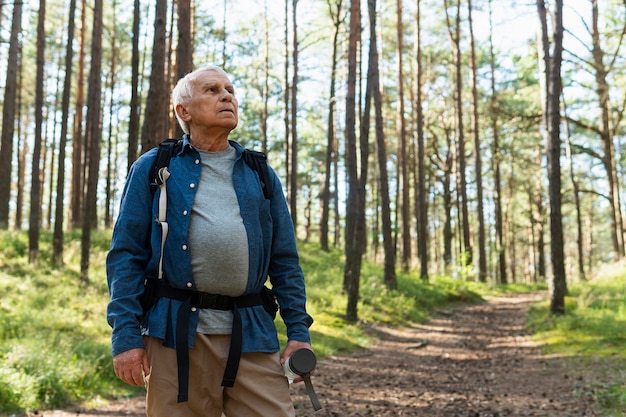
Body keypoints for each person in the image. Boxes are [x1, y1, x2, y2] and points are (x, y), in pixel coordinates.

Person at [106, 64, 314, 417]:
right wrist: (125, 335)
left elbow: (284, 260)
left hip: (252, 333)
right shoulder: (155, 166)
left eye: (230, 90)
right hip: (174, 336)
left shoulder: (259, 173)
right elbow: (126, 254)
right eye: (212, 90)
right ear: (183, 111)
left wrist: (298, 331)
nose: (227, 96)